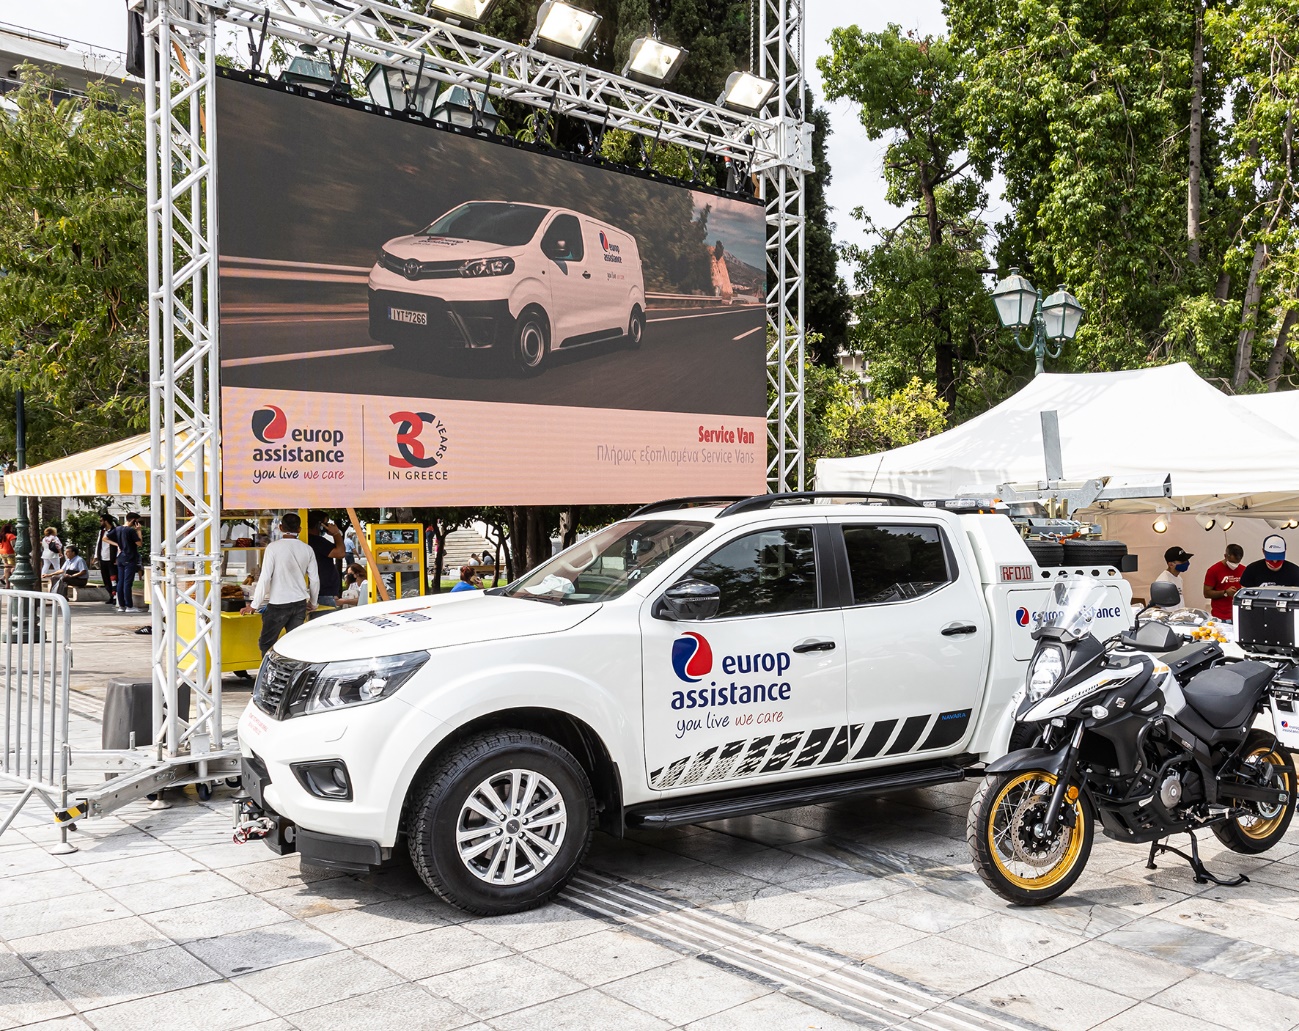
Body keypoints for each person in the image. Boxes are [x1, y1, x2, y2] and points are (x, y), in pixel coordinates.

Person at [242, 512, 318, 655]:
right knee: (294, 644)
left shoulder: (273, 548)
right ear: (299, 529)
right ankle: (291, 669)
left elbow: (265, 578)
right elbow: (314, 579)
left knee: (266, 644)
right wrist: (313, 602)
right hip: (300, 603)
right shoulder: (307, 549)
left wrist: (254, 605)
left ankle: (270, 669)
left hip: (278, 604)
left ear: (281, 527)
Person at [307, 511, 345, 608]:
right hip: (323, 593)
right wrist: (336, 533)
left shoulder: (308, 540)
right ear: (320, 525)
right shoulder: (317, 542)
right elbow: (340, 553)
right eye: (326, 524)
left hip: (319, 591)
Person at [107, 513, 143, 612]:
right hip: (130, 557)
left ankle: (121, 605)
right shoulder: (131, 530)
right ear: (133, 520)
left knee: (121, 582)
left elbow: (105, 538)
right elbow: (139, 543)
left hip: (120, 557)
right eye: (137, 521)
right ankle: (129, 606)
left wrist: (117, 544)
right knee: (127, 582)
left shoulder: (118, 529)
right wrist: (139, 531)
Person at [1203, 544, 1245, 622]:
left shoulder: (1244, 570)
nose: (1234, 565)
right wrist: (1225, 592)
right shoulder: (1214, 570)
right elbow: (1206, 593)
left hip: (1240, 615)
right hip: (1221, 616)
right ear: (1225, 556)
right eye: (1232, 562)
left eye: (1237, 562)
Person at [95, 514, 118, 604]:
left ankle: (116, 596)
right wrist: (96, 556)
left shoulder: (114, 531)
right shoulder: (101, 532)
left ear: (106, 521)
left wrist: (116, 557)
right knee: (106, 579)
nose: (100, 522)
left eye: (101, 521)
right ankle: (111, 595)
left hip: (111, 559)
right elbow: (98, 544)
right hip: (103, 558)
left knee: (114, 579)